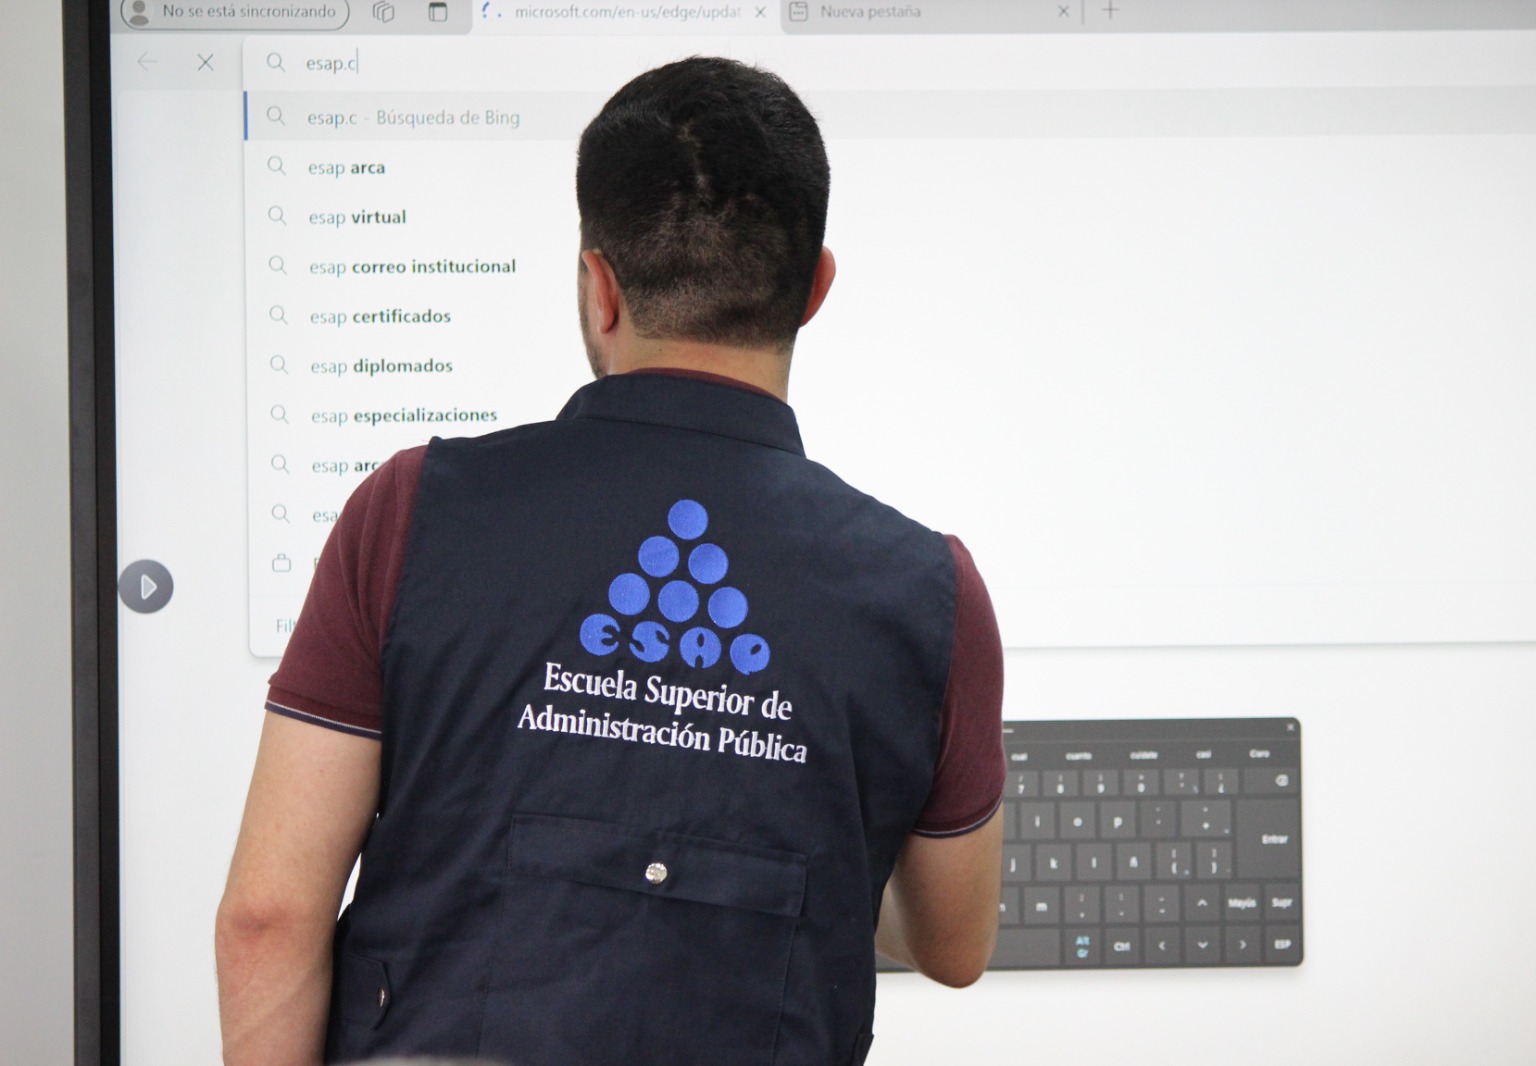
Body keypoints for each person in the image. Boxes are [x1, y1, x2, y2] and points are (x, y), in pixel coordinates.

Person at [216, 57, 1005, 1066]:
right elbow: (951, 944)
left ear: (598, 287)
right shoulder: (931, 592)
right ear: (814, 288)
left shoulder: (411, 509)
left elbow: (268, 918)